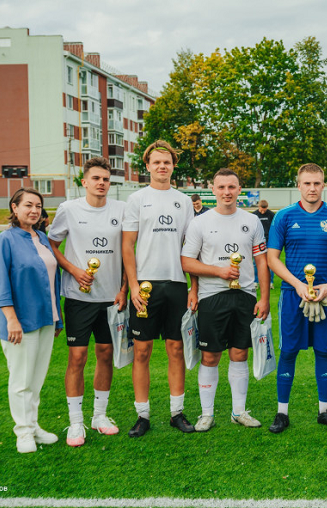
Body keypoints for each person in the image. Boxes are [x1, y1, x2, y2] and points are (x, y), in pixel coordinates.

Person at [181, 168, 270, 431]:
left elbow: (261, 262)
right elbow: (187, 262)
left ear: (239, 189)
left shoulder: (251, 221)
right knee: (210, 355)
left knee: (239, 353)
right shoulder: (200, 223)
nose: (226, 192)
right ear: (213, 190)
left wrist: (264, 297)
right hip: (211, 297)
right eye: (221, 187)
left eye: (231, 187)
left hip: (245, 296)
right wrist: (217, 271)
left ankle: (238, 412)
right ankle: (206, 414)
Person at [266, 163, 327, 433]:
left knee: (323, 350)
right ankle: (282, 413)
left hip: (326, 295)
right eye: (307, 183)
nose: (312, 188)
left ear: (324, 184)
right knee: (289, 350)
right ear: (298, 185)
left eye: (317, 183)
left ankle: (324, 410)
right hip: (294, 296)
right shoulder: (284, 217)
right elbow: (272, 258)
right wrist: (298, 284)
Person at [48, 157, 127, 446]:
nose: (101, 183)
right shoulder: (69, 209)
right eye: (96, 178)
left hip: (111, 297)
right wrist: (74, 270)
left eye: (106, 179)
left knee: (106, 354)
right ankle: (75, 423)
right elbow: (51, 245)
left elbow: (128, 252)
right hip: (78, 297)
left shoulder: (121, 209)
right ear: (85, 181)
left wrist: (124, 289)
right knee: (77, 357)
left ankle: (99, 416)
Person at [122, 140, 197, 438]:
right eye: (156, 162)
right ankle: (143, 415)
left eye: (167, 162)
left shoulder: (184, 201)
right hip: (146, 287)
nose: (162, 166)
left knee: (175, 348)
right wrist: (133, 286)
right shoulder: (137, 199)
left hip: (177, 284)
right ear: (148, 165)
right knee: (142, 351)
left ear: (173, 166)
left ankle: (177, 412)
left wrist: (194, 287)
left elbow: (193, 249)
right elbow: (127, 245)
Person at [0, 188, 63, 453]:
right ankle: (23, 433)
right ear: (14, 207)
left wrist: (58, 319)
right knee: (21, 380)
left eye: (39, 206)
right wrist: (11, 319)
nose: (34, 210)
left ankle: (33, 426)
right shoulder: (4, 240)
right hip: (20, 322)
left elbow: (53, 281)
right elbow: (0, 283)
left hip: (46, 319)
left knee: (36, 379)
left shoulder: (41, 237)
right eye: (28, 205)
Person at [253, 199, 275, 289]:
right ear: (259, 207)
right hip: (257, 241)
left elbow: (274, 228)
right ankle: (255, 282)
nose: (263, 211)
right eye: (262, 209)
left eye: (265, 209)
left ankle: (270, 282)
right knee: (256, 262)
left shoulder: (271, 215)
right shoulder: (254, 215)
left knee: (270, 262)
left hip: (269, 240)